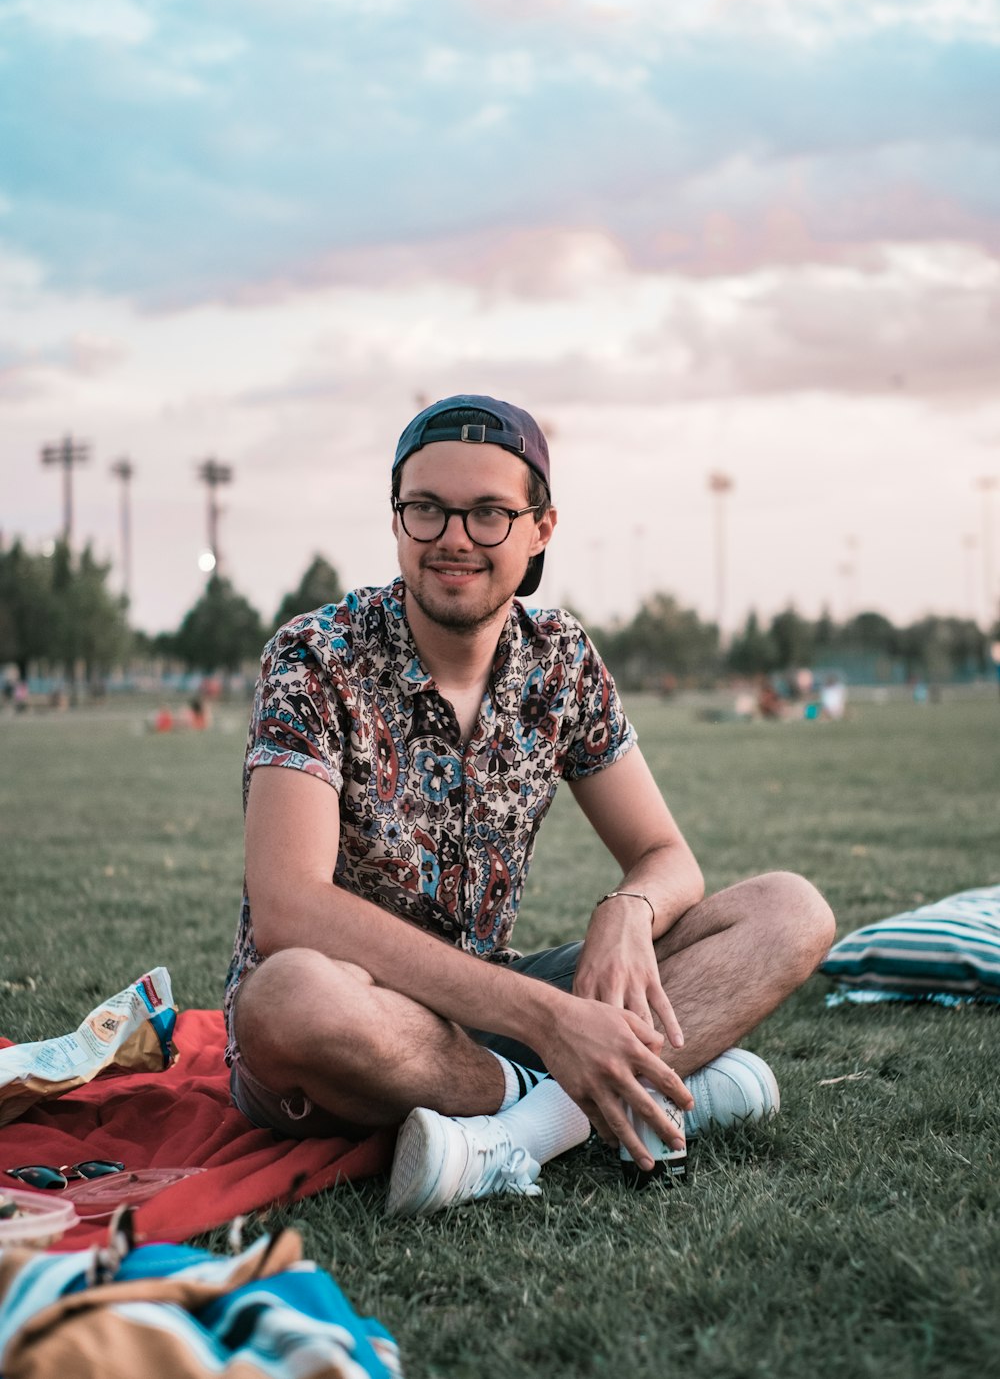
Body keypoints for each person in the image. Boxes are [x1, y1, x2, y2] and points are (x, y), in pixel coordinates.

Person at [224, 394, 835, 1217]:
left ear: (541, 528)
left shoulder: (560, 659)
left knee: (789, 910)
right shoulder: (316, 655)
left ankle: (526, 1131)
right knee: (286, 997)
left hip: (487, 1012)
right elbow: (289, 910)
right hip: (360, 1021)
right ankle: (608, 1092)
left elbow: (667, 856)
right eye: (427, 509)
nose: (452, 538)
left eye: (488, 514)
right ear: (397, 518)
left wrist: (628, 907)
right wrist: (552, 1022)